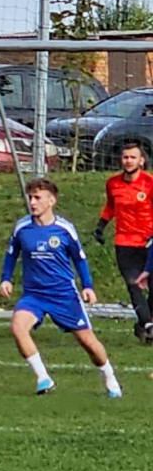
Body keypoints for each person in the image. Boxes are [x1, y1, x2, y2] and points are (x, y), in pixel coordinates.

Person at [4, 178, 122, 397]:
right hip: (34, 295)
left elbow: (79, 259)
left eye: (37, 198)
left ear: (51, 201)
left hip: (63, 295)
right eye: (30, 197)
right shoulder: (22, 227)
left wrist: (87, 286)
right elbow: (11, 255)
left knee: (87, 342)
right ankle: (43, 379)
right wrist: (6, 279)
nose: (32, 202)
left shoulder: (64, 229)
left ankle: (109, 375)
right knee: (18, 327)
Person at [93, 142, 153, 343]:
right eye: (125, 157)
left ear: (141, 161)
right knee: (133, 284)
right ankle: (148, 324)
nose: (128, 161)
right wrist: (101, 226)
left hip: (148, 243)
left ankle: (143, 325)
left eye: (132, 157)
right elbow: (110, 206)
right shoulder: (112, 183)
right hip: (125, 243)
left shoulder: (149, 183)